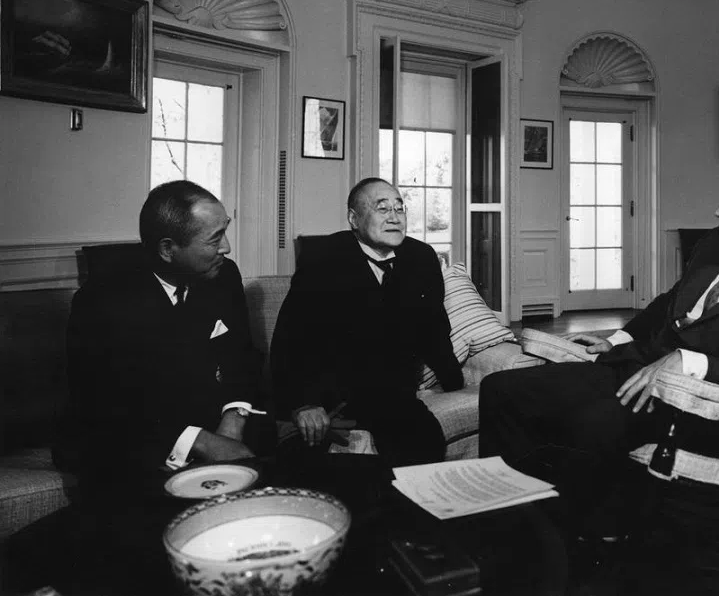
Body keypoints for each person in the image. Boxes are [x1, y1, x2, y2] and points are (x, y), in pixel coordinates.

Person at [479, 151, 719, 536]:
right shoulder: (713, 248)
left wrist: (689, 362)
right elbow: (668, 303)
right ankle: (507, 522)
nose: (718, 211)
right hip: (635, 371)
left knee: (588, 422)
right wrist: (617, 339)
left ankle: (564, 540)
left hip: (701, 404)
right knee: (503, 389)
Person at [40, 180, 270, 594]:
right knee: (146, 539)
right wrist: (201, 441)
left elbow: (242, 357)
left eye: (226, 230)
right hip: (126, 440)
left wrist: (233, 419)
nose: (228, 248)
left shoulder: (222, 276)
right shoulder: (102, 301)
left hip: (215, 425)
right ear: (168, 249)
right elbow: (107, 406)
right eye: (215, 238)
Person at [271, 177, 463, 476]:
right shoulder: (323, 259)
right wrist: (303, 404)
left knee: (424, 454)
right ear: (354, 219)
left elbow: (434, 327)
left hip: (396, 396)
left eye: (400, 208)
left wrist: (454, 379)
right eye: (382, 208)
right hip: (337, 398)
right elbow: (290, 340)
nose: (394, 216)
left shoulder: (422, 258)